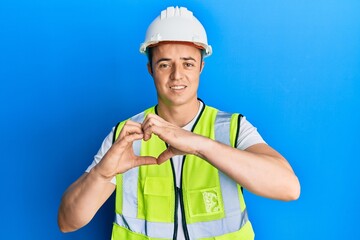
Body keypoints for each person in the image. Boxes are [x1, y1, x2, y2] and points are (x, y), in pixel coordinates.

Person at [58, 6, 300, 240]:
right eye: (164, 64)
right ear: (150, 69)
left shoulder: (232, 128)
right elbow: (68, 222)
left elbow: (288, 187)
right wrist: (102, 174)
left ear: (201, 67)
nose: (177, 75)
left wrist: (200, 145)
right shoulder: (125, 135)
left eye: (188, 63)